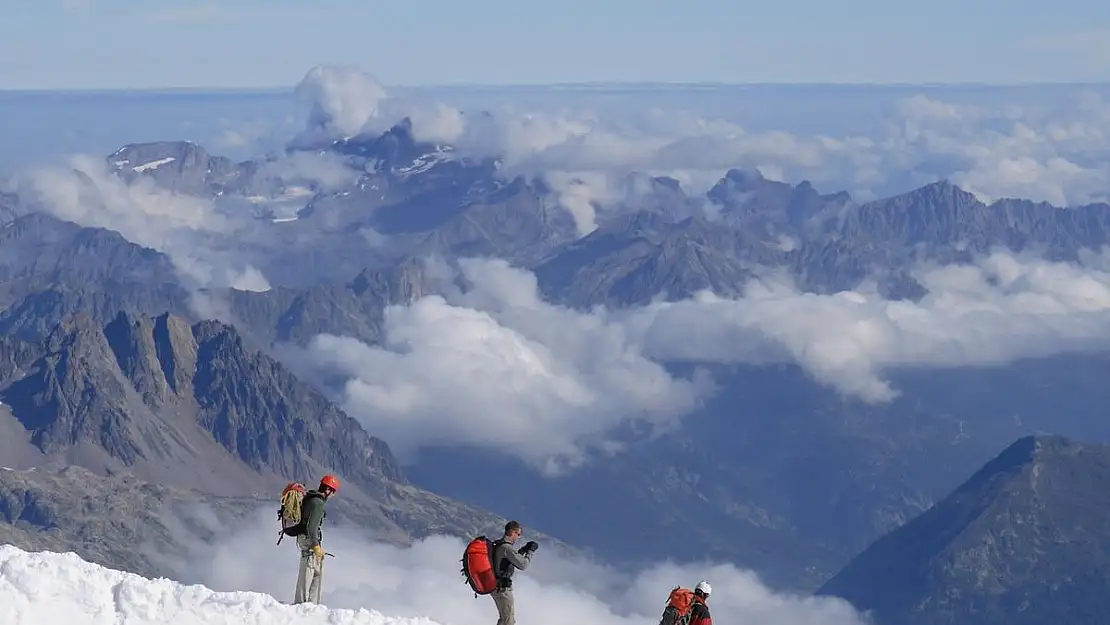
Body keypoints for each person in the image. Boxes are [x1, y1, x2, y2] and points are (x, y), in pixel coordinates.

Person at [293, 474, 340, 605]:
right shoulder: (318, 503)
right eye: (333, 492)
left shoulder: (311, 498)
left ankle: (310, 604)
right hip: (309, 541)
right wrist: (315, 545)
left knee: (315, 570)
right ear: (328, 490)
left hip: (304, 538)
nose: (333, 495)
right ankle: (301, 604)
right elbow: (312, 527)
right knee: (308, 570)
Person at [489, 520, 538, 625]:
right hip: (502, 589)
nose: (518, 537)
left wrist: (523, 550)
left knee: (505, 620)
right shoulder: (506, 548)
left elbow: (507, 561)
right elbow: (523, 565)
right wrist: (530, 552)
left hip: (496, 587)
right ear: (513, 532)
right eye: (518, 534)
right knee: (508, 621)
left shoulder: (498, 544)